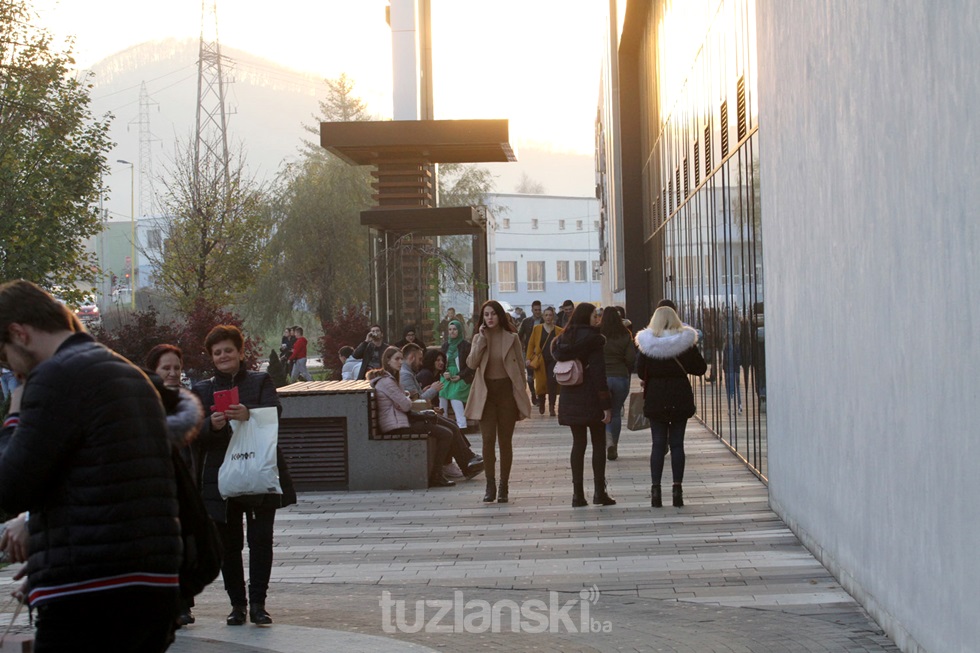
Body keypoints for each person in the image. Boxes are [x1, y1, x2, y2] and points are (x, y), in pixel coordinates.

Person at [0, 280, 181, 652]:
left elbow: (11, 486)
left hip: (88, 593)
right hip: (153, 586)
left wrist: (14, 415)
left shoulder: (56, 376)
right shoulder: (129, 374)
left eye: (5, 357)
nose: (13, 371)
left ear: (19, 333)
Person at [192, 325, 297, 627]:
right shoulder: (201, 389)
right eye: (217, 352)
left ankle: (259, 604)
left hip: (259, 469)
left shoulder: (260, 380)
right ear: (212, 357)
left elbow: (275, 414)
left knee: (261, 540)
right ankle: (237, 605)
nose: (224, 356)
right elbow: (193, 433)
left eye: (228, 350)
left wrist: (248, 414)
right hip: (221, 477)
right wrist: (210, 426)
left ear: (240, 351)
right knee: (229, 545)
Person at [144, 343, 207, 629]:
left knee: (185, 547)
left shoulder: (190, 401)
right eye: (165, 368)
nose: (172, 373)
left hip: (187, 485)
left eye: (176, 368)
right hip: (154, 487)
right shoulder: (144, 400)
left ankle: (183, 605)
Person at [634, 306, 707, 508]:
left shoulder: (647, 344)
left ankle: (656, 491)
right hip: (679, 395)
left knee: (658, 443)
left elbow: (640, 372)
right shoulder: (685, 342)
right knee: (677, 444)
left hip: (656, 396)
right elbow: (700, 369)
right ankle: (677, 490)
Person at [465, 300, 532, 503]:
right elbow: (471, 363)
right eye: (486, 314)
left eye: (493, 314)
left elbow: (520, 368)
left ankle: (504, 486)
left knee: (505, 442)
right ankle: (490, 484)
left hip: (506, 394)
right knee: (487, 440)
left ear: (500, 316)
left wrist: (522, 393)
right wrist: (481, 342)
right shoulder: (479, 337)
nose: (490, 318)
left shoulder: (511, 338)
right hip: (486, 394)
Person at [552, 303, 616, 507]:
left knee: (578, 444)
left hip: (570, 398)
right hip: (591, 398)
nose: (597, 319)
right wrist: (606, 404)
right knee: (598, 444)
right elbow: (599, 374)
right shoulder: (594, 339)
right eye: (594, 316)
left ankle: (577, 495)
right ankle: (599, 492)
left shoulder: (563, 339)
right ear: (586, 317)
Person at [367, 346, 457, 488]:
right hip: (395, 426)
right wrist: (406, 399)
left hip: (400, 422)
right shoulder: (386, 381)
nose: (400, 362)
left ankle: (439, 472)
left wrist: (405, 398)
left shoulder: (391, 379)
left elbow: (404, 400)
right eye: (397, 359)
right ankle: (437, 475)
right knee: (445, 434)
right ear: (387, 361)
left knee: (441, 427)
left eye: (401, 358)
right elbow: (406, 405)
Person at [400, 343, 484, 479]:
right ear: (411, 357)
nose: (421, 363)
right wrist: (433, 390)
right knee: (447, 431)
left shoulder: (408, 373)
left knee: (451, 424)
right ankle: (455, 466)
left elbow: (415, 399)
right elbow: (415, 403)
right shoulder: (405, 375)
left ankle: (468, 461)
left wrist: (430, 405)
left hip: (417, 415)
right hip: (413, 419)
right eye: (420, 359)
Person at [600, 306, 636, 461]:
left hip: (603, 379)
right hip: (620, 377)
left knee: (603, 413)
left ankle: (606, 442)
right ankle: (614, 444)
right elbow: (631, 359)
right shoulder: (625, 334)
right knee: (615, 413)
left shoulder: (599, 334)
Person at [526, 306, 563, 416]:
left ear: (553, 316)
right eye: (546, 315)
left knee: (552, 382)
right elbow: (531, 344)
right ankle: (542, 402)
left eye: (550, 315)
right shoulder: (537, 329)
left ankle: (552, 406)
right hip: (540, 359)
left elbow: (562, 345)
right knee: (541, 383)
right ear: (543, 316)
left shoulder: (559, 331)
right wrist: (528, 358)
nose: (548, 317)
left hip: (553, 359)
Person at [440, 319, 474, 430]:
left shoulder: (466, 346)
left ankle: (462, 425)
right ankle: (443, 423)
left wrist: (460, 376)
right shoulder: (445, 346)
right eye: (450, 329)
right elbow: (439, 362)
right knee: (442, 393)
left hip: (461, 377)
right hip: (447, 376)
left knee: (455, 395)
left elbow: (471, 366)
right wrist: (443, 373)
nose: (452, 332)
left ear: (459, 330)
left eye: (454, 329)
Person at [518, 301, 544, 407]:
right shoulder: (526, 321)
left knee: (541, 375)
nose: (538, 312)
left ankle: (541, 396)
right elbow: (519, 335)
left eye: (539, 309)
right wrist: (522, 347)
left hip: (541, 352)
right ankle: (533, 394)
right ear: (532, 310)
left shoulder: (544, 320)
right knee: (530, 376)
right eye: (536, 310)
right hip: (529, 352)